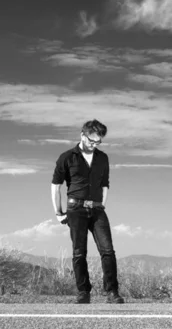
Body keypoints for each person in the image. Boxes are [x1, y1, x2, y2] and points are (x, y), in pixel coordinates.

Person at [51, 119, 124, 304]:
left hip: (98, 209)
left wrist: (102, 204)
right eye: (91, 140)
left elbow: (105, 184)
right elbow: (56, 186)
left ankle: (112, 293)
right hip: (76, 209)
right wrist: (59, 212)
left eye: (98, 142)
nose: (94, 145)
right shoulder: (66, 157)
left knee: (108, 251)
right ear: (82, 135)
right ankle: (83, 292)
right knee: (79, 252)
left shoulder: (103, 158)